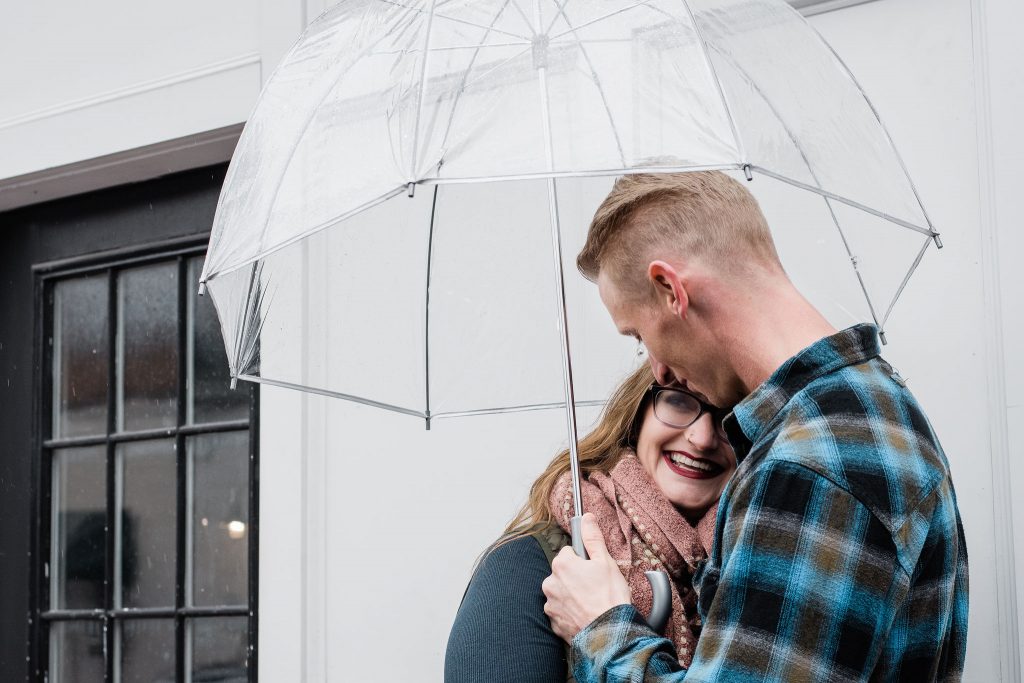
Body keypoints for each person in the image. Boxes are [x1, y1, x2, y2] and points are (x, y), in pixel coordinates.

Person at [541, 171, 968, 682]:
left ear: (669, 288)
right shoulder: (879, 401)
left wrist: (600, 627)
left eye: (639, 335)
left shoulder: (807, 467)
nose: (656, 370)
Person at [445, 363, 737, 682]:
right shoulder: (528, 567)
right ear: (638, 418)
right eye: (679, 401)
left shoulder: (764, 572)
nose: (703, 438)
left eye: (728, 416)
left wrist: (604, 629)